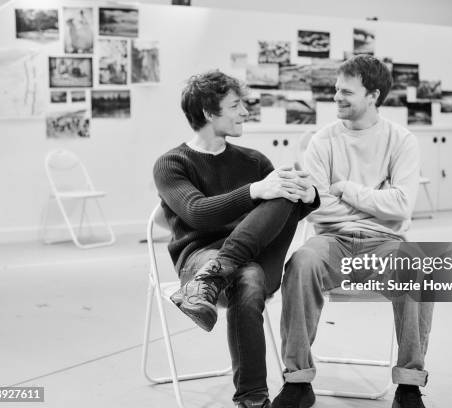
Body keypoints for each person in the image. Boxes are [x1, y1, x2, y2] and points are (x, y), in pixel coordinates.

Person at [272, 55, 434, 408]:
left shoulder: (401, 141)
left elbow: (402, 206)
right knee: (300, 264)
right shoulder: (322, 141)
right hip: (332, 240)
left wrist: (344, 188)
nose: (337, 98)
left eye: (346, 92)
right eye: (335, 90)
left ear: (373, 94)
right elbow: (316, 204)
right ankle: (298, 382)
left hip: (386, 242)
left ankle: (409, 386)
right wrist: (374, 199)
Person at [153, 70, 319, 408]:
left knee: (283, 193)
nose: (245, 112)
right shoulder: (172, 163)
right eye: (235, 105)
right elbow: (196, 213)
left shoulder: (254, 160)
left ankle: (215, 275)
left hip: (231, 268)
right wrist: (256, 190)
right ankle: (253, 399)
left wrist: (309, 195)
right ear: (207, 113)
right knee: (248, 277)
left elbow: (285, 213)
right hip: (198, 256)